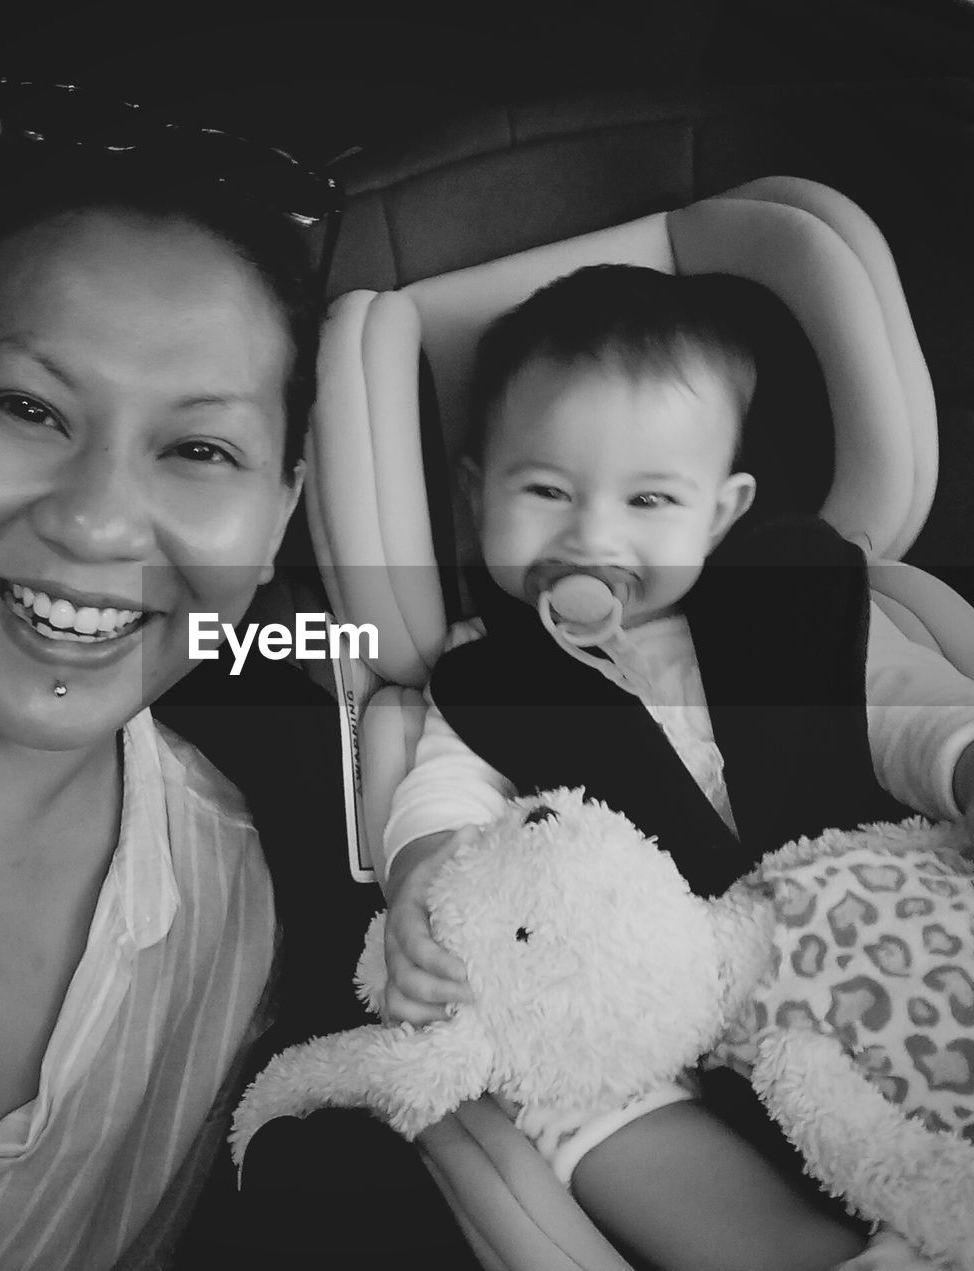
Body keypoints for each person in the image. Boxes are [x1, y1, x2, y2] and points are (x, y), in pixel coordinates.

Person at [0, 91, 477, 1271]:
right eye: (27, 406)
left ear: (279, 512)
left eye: (199, 448)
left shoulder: (237, 924)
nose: (100, 517)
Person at [380, 265, 974, 1271]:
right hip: (671, 1002)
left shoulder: (797, 608)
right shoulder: (488, 676)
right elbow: (444, 792)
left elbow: (907, 715)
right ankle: (793, 1249)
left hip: (872, 933)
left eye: (648, 498)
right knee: (556, 1079)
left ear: (717, 509)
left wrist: (961, 768)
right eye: (546, 490)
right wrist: (423, 875)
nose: (592, 536)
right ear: (477, 492)